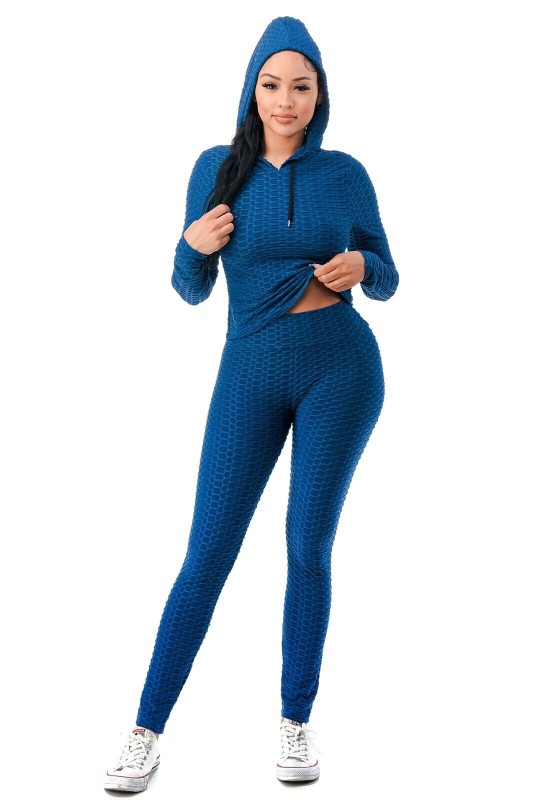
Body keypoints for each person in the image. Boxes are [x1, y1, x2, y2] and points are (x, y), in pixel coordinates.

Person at [104, 15, 399, 792]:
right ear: (251, 89)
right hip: (250, 372)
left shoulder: (345, 174)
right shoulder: (216, 169)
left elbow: (390, 275)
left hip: (340, 369)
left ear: (319, 95)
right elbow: (188, 289)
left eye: (300, 87)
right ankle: (144, 731)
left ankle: (295, 721)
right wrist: (190, 245)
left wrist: (362, 264)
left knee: (306, 544)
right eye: (272, 85)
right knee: (207, 551)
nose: (285, 100)